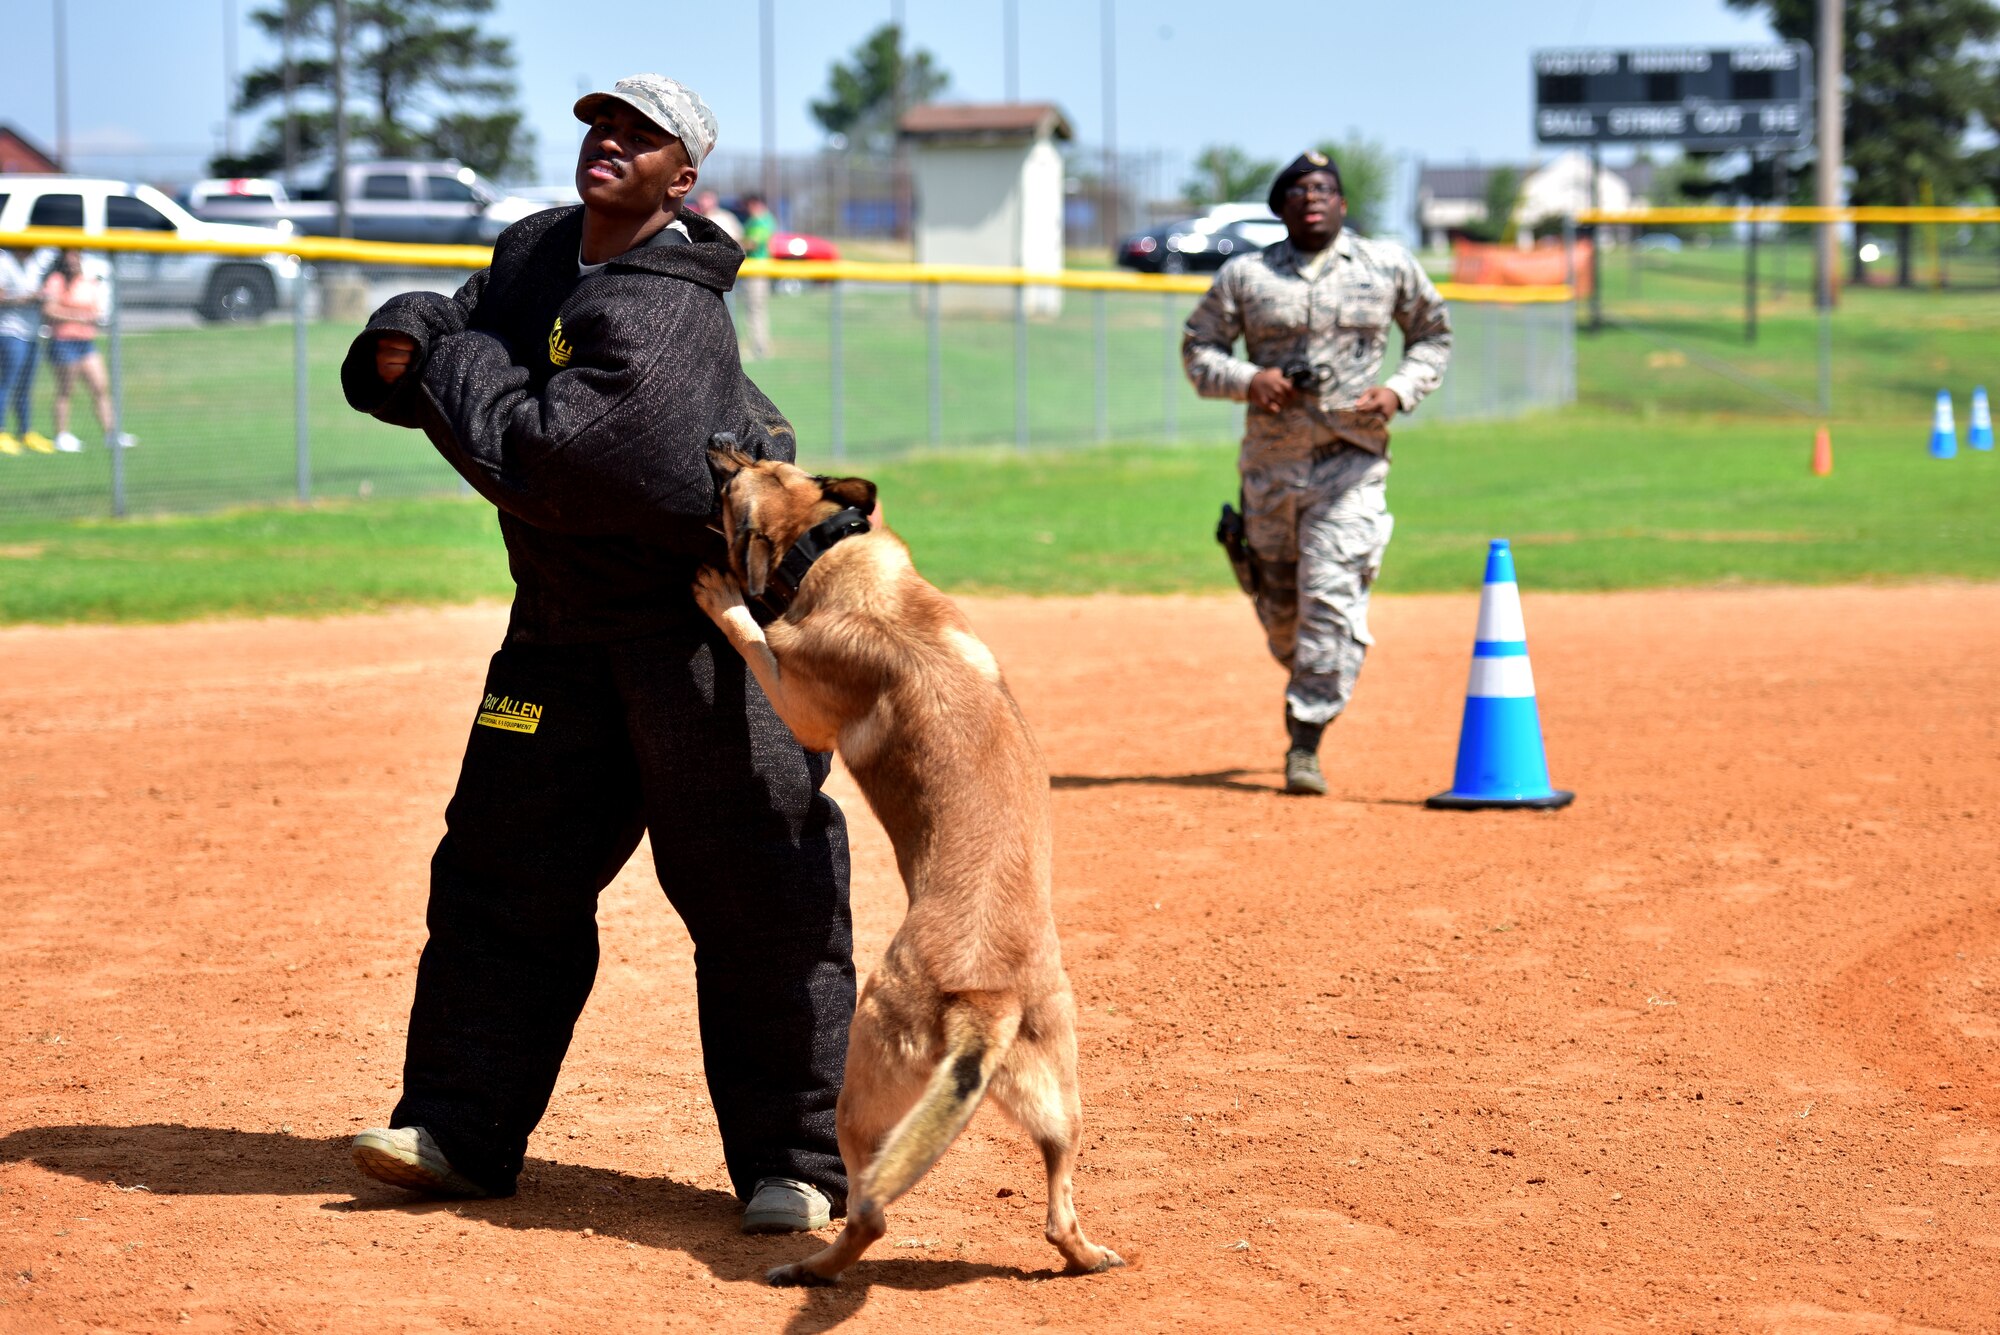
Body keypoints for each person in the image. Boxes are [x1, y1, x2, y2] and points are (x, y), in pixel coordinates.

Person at [338, 73, 856, 1235]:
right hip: (559, 636)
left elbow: (555, 461)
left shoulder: (670, 307)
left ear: (684, 179)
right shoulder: (534, 253)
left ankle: (801, 1164)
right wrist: (407, 332)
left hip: (702, 634)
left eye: (641, 136)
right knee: (498, 878)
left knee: (763, 895)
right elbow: (454, 320)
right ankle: (457, 1133)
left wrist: (447, 368)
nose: (609, 144)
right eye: (598, 126)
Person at [1182, 150, 1451, 796]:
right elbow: (1198, 350)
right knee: (1283, 614)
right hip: (1271, 471)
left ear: (1343, 203)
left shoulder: (1386, 265)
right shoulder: (1245, 275)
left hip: (1351, 462)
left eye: (1325, 188)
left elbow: (1433, 336)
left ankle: (1304, 741)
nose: (1313, 197)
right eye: (1299, 189)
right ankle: (1299, 656)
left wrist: (1399, 391)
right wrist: (1252, 380)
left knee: (1329, 603)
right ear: (1281, 207)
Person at [39, 250, 136, 454]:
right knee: (66, 390)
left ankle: (111, 433)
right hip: (64, 342)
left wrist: (88, 316)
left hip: (86, 342)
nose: (74, 265)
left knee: (100, 387)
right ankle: (62, 435)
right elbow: (49, 310)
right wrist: (76, 316)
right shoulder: (56, 281)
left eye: (77, 260)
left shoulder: (87, 281)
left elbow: (96, 310)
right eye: (70, 261)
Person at [0, 248, 53, 455]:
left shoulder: (35, 263)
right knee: (7, 383)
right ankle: (2, 431)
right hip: (9, 332)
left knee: (25, 386)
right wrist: (25, 299)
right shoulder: (4, 261)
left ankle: (25, 432)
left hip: (32, 332)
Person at [738, 193, 774, 361]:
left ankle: (759, 348)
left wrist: (736, 242)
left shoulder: (763, 220)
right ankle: (757, 345)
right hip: (751, 271)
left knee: (756, 309)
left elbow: (753, 242)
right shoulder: (753, 221)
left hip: (758, 272)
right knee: (752, 310)